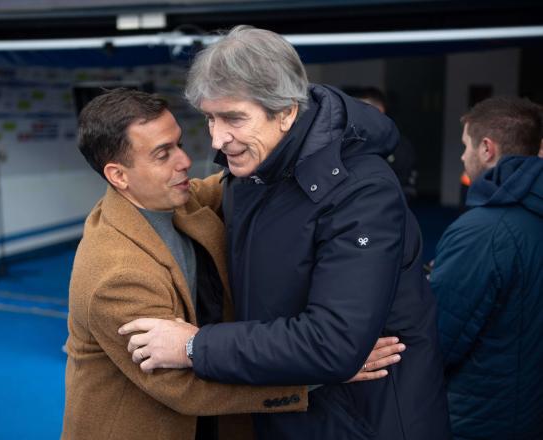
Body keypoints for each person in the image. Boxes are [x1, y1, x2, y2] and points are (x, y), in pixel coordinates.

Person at [119, 26, 450, 440]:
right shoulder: (252, 173)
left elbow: (333, 344)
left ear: (286, 111)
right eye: (210, 118)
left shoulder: (362, 191)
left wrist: (194, 346)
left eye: (234, 118)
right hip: (292, 407)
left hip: (364, 420)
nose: (218, 139)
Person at [62, 88, 404, 440]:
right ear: (119, 176)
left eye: (178, 143)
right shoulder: (116, 275)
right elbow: (184, 386)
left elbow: (242, 179)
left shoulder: (175, 199)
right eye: (163, 154)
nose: (184, 161)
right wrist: (320, 371)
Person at [429, 96, 543, 439]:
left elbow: (439, 340)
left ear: (487, 149)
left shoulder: (483, 231)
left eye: (466, 145)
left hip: (482, 418)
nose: (463, 155)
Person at [346, 86, 418, 201]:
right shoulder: (349, 142)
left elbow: (406, 189)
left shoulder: (400, 146)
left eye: (361, 111)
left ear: (379, 111)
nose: (355, 117)